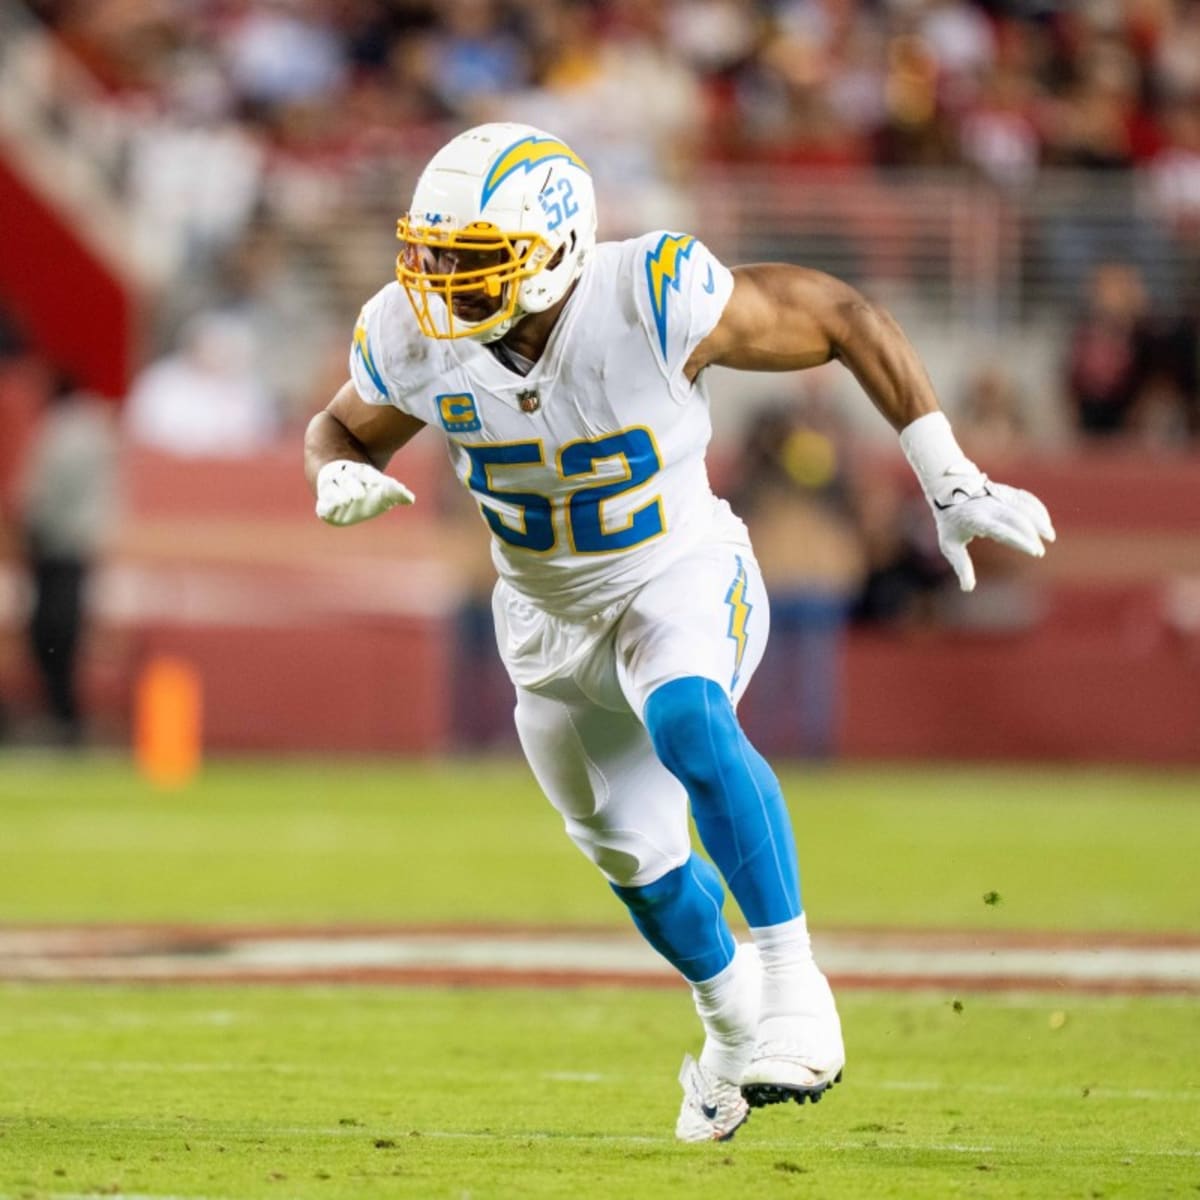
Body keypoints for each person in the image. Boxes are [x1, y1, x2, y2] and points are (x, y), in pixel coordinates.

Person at [303, 122, 1055, 1143]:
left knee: (691, 722)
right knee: (644, 871)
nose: (443, 287)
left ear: (559, 250)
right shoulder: (411, 330)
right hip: (544, 624)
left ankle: (798, 989)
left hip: (678, 570)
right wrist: (335, 469)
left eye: (476, 263)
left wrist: (947, 474)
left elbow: (839, 313)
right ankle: (732, 1031)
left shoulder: (651, 294)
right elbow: (344, 424)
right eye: (434, 259)